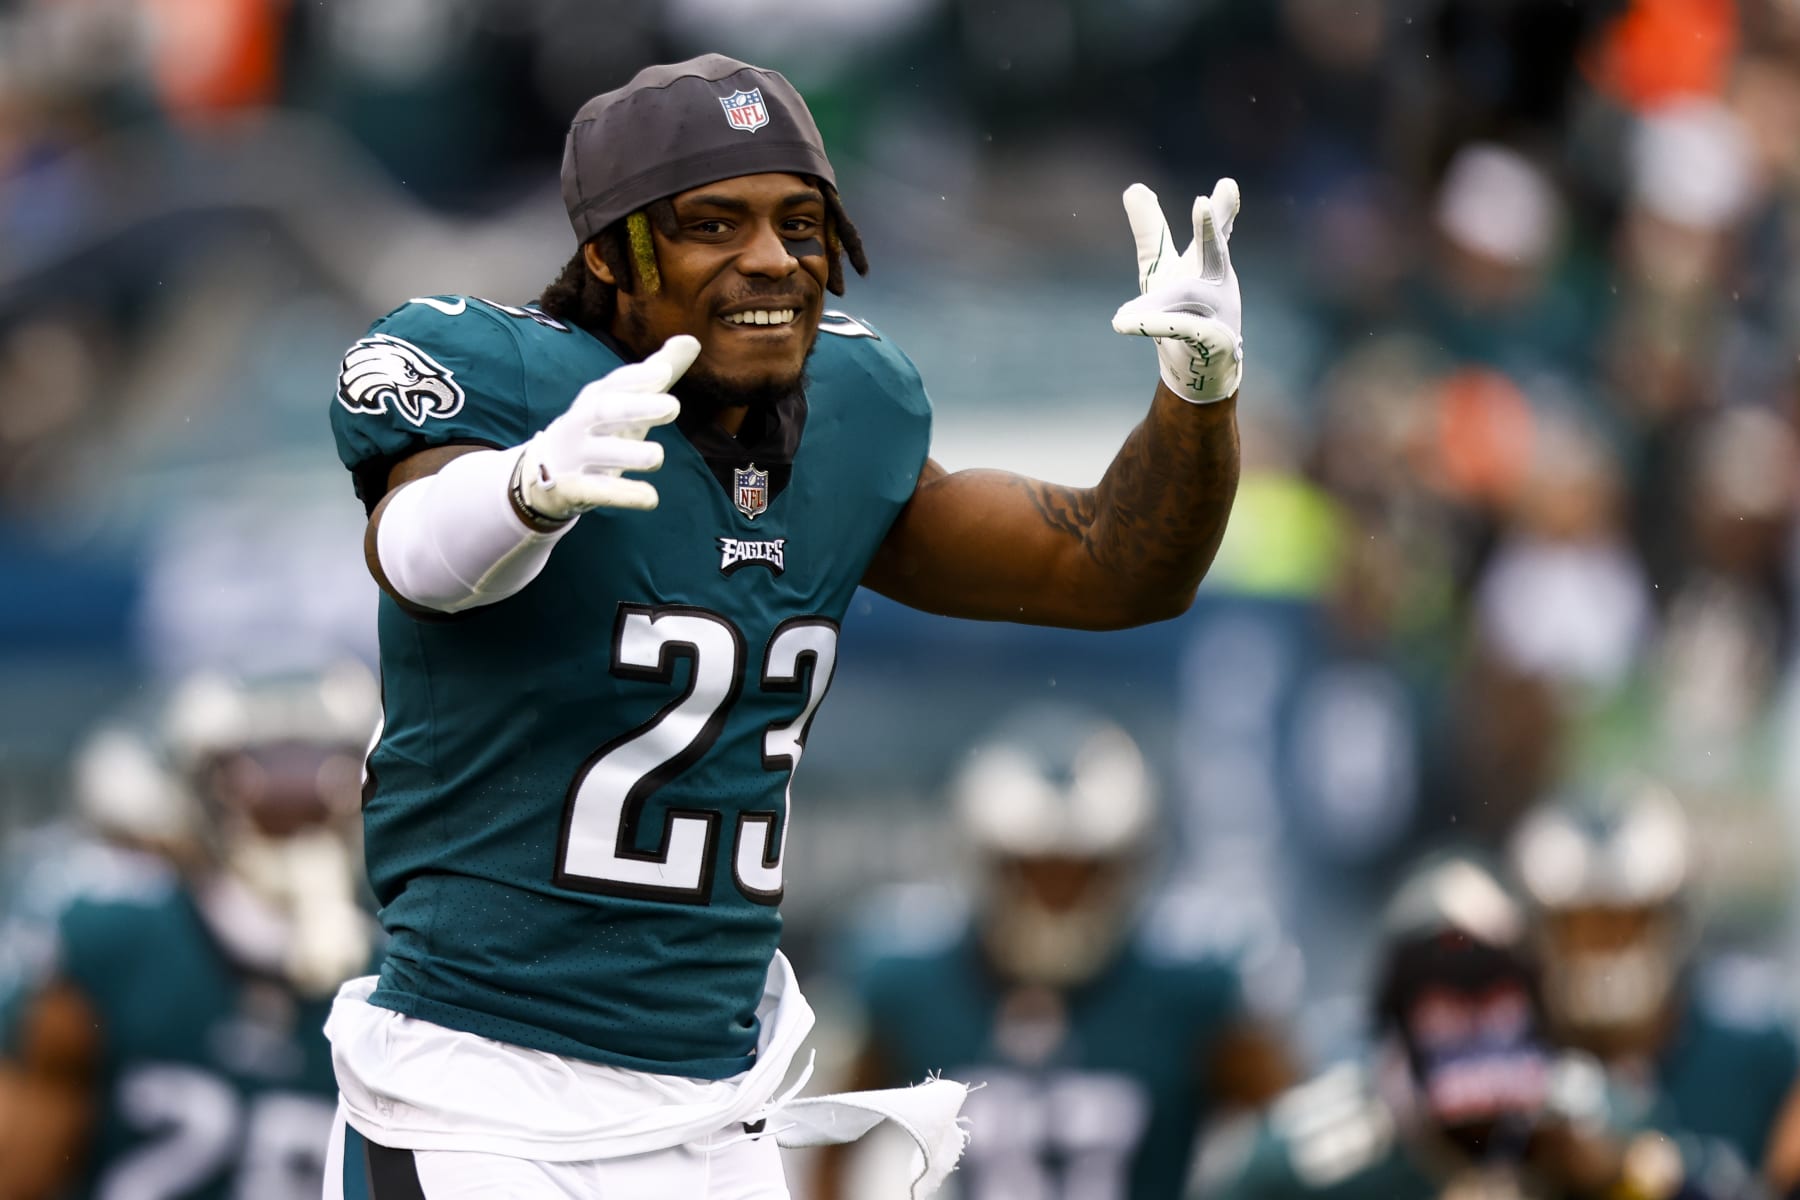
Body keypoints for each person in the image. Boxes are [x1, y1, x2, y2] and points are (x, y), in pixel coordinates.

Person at [324, 52, 1245, 1200]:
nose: (771, 259)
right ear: (611, 252)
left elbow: (1117, 570)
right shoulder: (513, 383)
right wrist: (525, 489)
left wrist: (1197, 398)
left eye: (800, 224)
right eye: (714, 223)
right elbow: (415, 557)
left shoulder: (852, 409)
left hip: (716, 1102)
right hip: (479, 1093)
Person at [812, 706, 1294, 1200]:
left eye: (1083, 873)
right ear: (985, 864)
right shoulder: (911, 979)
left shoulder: (1190, 987)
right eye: (1033, 872)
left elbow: (1298, 1142)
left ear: (1129, 868)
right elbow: (827, 1139)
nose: (1057, 900)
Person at [0, 667, 378, 1200]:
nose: (293, 804)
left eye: (320, 778)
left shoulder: (406, 958)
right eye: (260, 779)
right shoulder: (115, 939)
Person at [1197, 856, 1750, 1200]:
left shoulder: (1595, 1116)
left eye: (1490, 987)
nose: (1472, 1018)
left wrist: (1624, 1180)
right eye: (1444, 995)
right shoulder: (1302, 1158)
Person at [1509, 782, 1800, 1192]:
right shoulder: (1507, 1045)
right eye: (1580, 927)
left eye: (1623, 923)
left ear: (1671, 921)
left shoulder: (1758, 1042)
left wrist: (1641, 1176)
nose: (1602, 951)